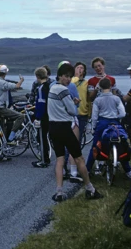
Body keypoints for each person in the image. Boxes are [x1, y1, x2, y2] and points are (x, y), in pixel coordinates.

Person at [48, 64, 103, 202]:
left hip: (53, 127)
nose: (68, 79)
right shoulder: (63, 90)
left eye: (69, 76)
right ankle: (90, 189)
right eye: (66, 76)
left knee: (60, 159)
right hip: (64, 127)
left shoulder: (52, 88)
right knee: (79, 158)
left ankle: (59, 192)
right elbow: (73, 111)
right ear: (60, 75)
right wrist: (75, 102)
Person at [86, 78, 131, 178]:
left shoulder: (97, 100)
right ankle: (128, 171)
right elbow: (123, 113)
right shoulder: (116, 99)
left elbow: (94, 117)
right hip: (115, 123)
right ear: (110, 86)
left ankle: (87, 170)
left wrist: (93, 128)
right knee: (121, 144)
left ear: (100, 87)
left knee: (95, 146)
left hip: (102, 123)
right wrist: (116, 117)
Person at [0, 64, 24, 143]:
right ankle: (11, 137)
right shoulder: (2, 83)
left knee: (0, 128)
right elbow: (17, 86)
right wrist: (21, 80)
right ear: (5, 73)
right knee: (20, 116)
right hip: (0, 108)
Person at [32, 67, 51, 168]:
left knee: (41, 138)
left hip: (43, 116)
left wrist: (37, 116)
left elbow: (41, 103)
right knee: (45, 137)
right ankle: (46, 158)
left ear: (37, 76)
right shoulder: (49, 86)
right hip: (50, 115)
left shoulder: (41, 88)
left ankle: (44, 160)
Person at [72, 62, 90, 147]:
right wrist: (76, 77)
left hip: (82, 114)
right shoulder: (71, 81)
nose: (79, 69)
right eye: (77, 67)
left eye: (81, 68)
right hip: (71, 114)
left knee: (78, 139)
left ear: (84, 71)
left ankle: (76, 159)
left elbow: (89, 98)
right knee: (69, 139)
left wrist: (89, 113)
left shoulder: (87, 83)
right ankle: (66, 159)